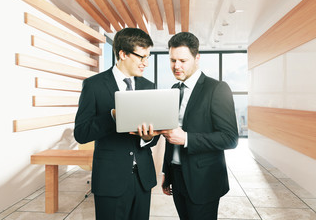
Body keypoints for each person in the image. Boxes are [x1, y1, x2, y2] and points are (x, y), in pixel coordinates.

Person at [74, 28, 161, 220]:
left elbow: (153, 137)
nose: (145, 63)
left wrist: (148, 138)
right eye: (141, 57)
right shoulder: (93, 85)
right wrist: (112, 116)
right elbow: (81, 133)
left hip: (142, 179)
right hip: (110, 179)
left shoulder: (148, 86)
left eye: (148, 57)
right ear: (123, 54)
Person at [161, 32, 239, 220]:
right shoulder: (174, 90)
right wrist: (167, 171)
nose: (176, 66)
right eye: (172, 60)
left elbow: (230, 138)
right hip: (177, 176)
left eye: (182, 60)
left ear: (197, 58)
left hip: (204, 180)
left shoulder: (217, 89)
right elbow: (171, 135)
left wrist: (187, 138)